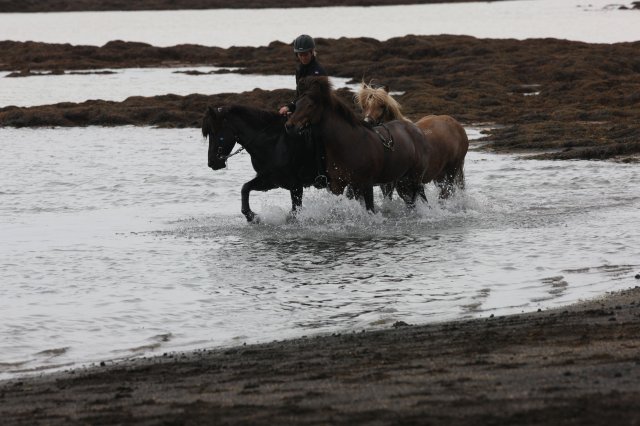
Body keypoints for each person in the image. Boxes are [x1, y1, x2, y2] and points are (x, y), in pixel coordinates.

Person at [279, 34, 328, 188]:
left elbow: (312, 97)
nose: (303, 57)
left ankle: (321, 174)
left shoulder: (318, 71)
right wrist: (290, 107)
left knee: (316, 135)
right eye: (300, 54)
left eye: (306, 54)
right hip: (305, 109)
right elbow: (299, 95)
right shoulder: (300, 69)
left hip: (319, 110)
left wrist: (294, 107)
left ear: (312, 52)